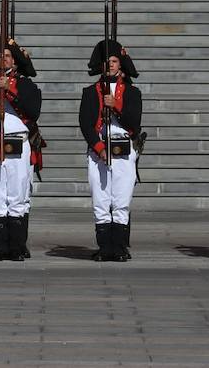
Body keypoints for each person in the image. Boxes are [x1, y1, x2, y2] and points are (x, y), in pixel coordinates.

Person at [0, 36, 43, 261]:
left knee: (17, 197)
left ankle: (16, 248)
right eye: (0, 56)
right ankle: (1, 248)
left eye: (7, 56)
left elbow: (33, 111)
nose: (3, 60)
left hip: (19, 144)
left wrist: (10, 90)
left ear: (14, 61)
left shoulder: (27, 86)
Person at [79, 39, 142, 263]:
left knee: (121, 200)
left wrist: (115, 105)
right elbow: (85, 123)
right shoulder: (90, 92)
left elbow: (134, 123)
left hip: (124, 150)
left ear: (121, 65)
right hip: (99, 151)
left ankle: (121, 247)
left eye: (114, 61)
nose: (110, 65)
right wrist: (98, 148)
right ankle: (105, 247)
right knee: (101, 200)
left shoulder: (132, 93)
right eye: (107, 62)